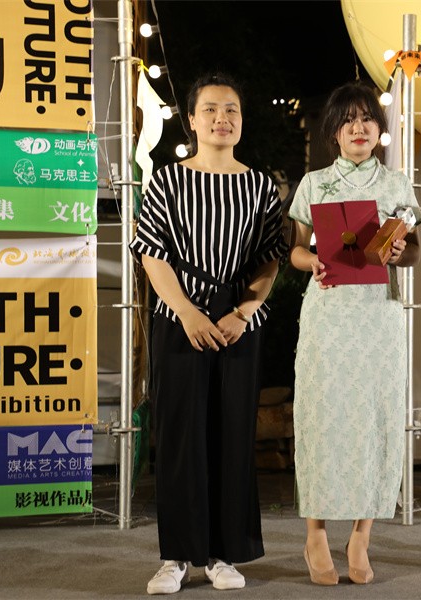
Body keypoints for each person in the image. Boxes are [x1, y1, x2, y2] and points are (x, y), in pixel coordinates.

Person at [129, 72, 288, 595]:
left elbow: (269, 260)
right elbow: (152, 254)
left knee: (233, 435)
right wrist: (188, 313)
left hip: (239, 320)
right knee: (180, 437)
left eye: (232, 110)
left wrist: (243, 312)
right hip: (180, 315)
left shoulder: (260, 186)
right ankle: (176, 556)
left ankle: (224, 553)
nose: (222, 118)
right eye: (211, 110)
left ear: (242, 121)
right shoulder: (167, 180)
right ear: (193, 120)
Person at [287, 81, 421, 586]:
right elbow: (295, 250)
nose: (358, 128)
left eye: (366, 118)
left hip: (377, 317)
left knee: (375, 419)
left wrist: (399, 251)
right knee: (322, 418)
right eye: (347, 121)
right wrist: (311, 262)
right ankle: (315, 534)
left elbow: (415, 251)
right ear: (334, 132)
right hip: (328, 315)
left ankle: (362, 537)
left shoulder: (396, 185)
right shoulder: (314, 184)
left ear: (379, 128)